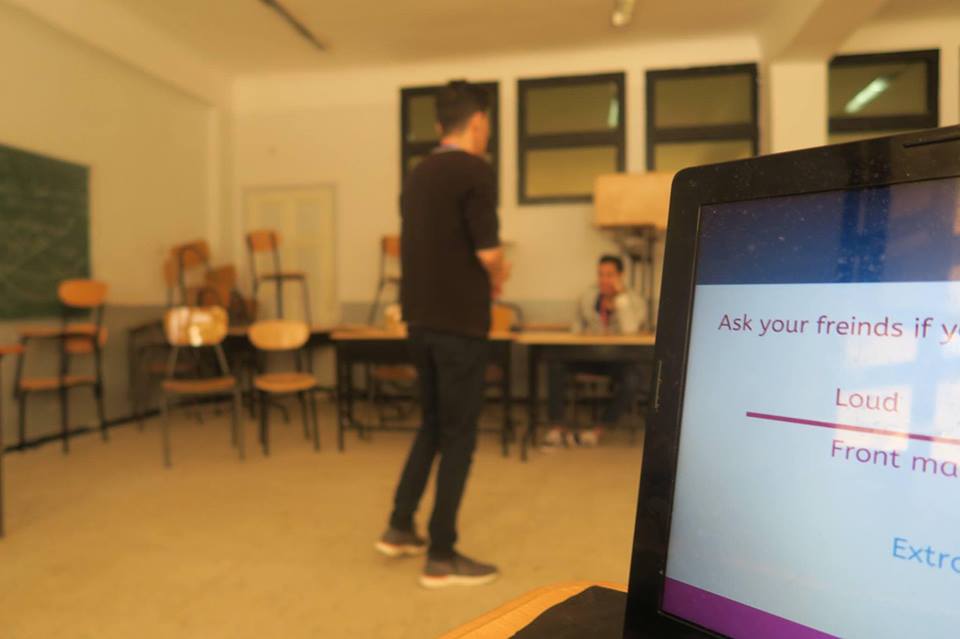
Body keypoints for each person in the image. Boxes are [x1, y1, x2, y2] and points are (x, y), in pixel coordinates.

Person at [375, 80, 508, 589]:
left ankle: (399, 526)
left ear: (438, 125)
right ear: (478, 122)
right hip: (460, 325)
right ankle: (442, 554)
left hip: (420, 321)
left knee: (432, 425)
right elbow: (487, 252)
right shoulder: (475, 171)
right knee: (459, 437)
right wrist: (501, 272)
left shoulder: (416, 176)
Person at [544, 255, 646, 448]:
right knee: (555, 363)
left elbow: (630, 330)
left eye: (609, 275)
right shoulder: (588, 297)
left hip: (618, 359)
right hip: (589, 356)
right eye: (600, 274)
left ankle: (598, 430)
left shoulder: (634, 300)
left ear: (621, 276)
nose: (604, 279)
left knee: (634, 377)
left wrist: (620, 299)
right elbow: (576, 328)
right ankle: (557, 427)